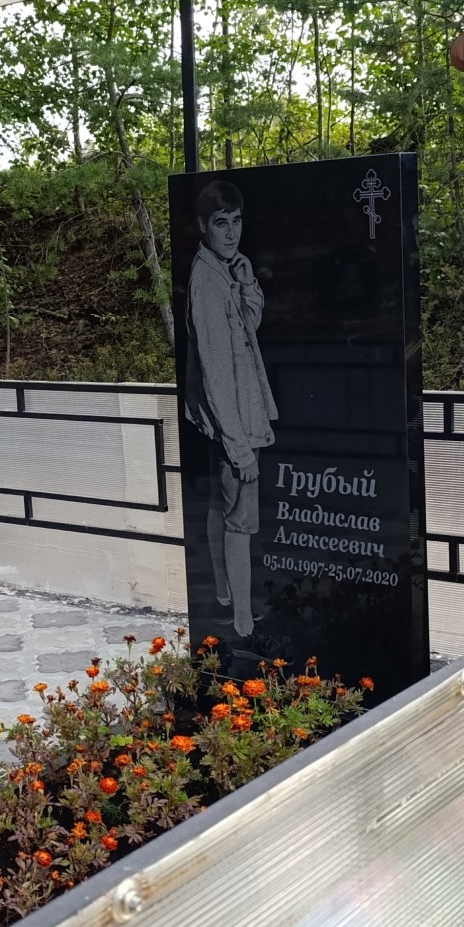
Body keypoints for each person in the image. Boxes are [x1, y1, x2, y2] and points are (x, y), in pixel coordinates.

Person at [183, 181, 277, 638]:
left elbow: (250, 324)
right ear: (203, 225)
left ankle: (223, 592)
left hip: (227, 420)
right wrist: (239, 448)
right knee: (240, 520)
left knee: (220, 506)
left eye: (236, 221)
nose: (231, 232)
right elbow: (216, 376)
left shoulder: (222, 271)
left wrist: (247, 281)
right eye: (221, 223)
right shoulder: (206, 282)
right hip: (232, 423)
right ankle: (242, 618)